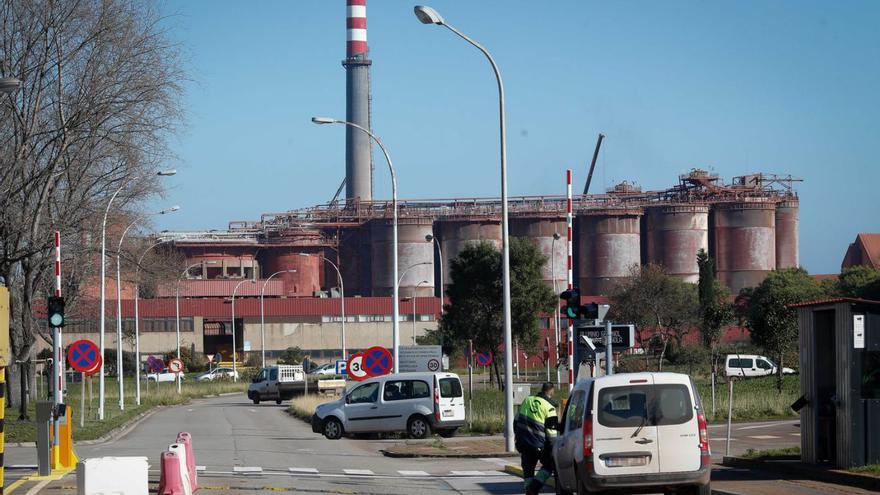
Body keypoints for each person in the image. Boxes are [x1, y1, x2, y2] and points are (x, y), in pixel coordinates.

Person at [514, 382, 558, 495]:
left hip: (523, 442)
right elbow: (552, 434)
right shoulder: (549, 407)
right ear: (551, 391)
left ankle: (529, 491)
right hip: (539, 444)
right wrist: (554, 449)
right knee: (549, 465)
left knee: (528, 469)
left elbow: (516, 421)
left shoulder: (527, 400)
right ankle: (535, 487)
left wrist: (517, 438)